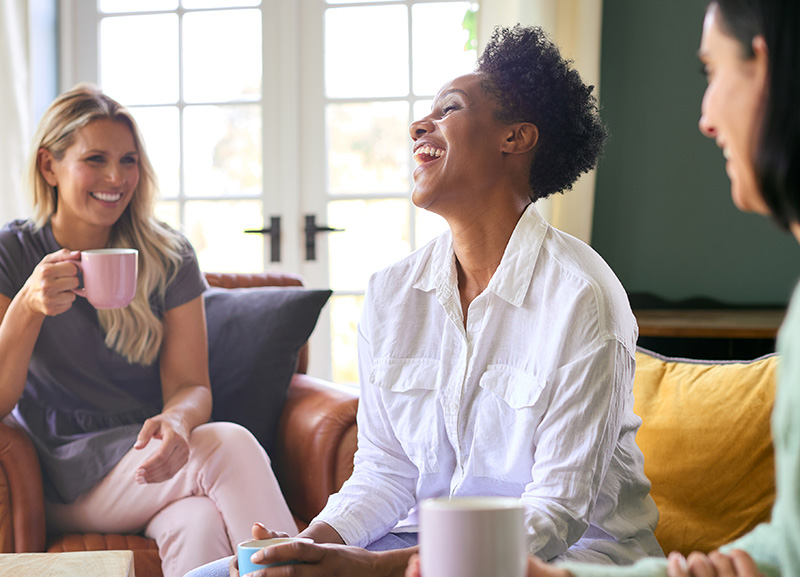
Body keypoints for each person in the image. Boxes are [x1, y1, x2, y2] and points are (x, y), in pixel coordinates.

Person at [186, 23, 664, 577]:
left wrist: (368, 569)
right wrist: (309, 549)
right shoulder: (393, 294)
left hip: (568, 560)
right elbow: (385, 471)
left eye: (449, 110)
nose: (420, 125)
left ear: (516, 138)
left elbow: (553, 513)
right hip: (418, 549)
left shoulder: (584, 298)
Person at [406, 0, 800, 576]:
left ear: (761, 66)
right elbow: (786, 551)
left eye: (710, 73)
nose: (706, 118)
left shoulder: (582, 295)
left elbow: (559, 508)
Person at [0, 84, 298, 577]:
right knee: (230, 446)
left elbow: (189, 385)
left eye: (129, 160)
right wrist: (29, 308)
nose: (116, 177)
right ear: (49, 167)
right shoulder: (12, 253)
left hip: (146, 460)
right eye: (95, 159)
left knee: (196, 523)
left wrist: (178, 422)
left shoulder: (166, 254)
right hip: (61, 472)